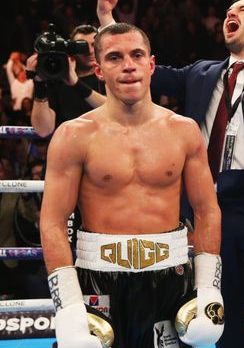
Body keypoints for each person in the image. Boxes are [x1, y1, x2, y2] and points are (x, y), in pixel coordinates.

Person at [97, 0, 244, 347]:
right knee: (219, 317)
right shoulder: (202, 73)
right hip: (210, 211)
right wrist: (108, 19)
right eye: (227, 11)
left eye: (241, 9)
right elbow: (139, 69)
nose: (230, 14)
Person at [39, 23, 224, 348]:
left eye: (136, 54)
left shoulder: (184, 131)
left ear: (151, 64)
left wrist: (209, 288)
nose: (128, 65)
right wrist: (67, 304)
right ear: (98, 69)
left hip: (170, 280)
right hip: (98, 281)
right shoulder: (73, 136)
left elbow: (207, 210)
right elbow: (53, 222)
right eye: (114, 57)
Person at [28, 24, 106, 138]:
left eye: (94, 45)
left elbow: (116, 109)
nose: (89, 51)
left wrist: (76, 84)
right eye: (82, 46)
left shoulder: (110, 76)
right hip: (67, 150)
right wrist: (39, 83)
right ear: (71, 48)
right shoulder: (56, 79)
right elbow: (43, 130)